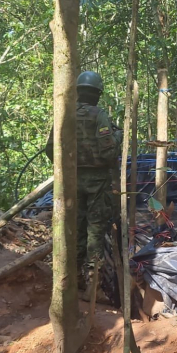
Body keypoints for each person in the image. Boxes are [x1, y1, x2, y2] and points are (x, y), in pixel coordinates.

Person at [44, 71, 121, 292]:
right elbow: (108, 152)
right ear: (98, 93)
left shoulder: (65, 114)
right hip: (97, 180)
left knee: (75, 228)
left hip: (72, 180)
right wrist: (118, 136)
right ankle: (93, 287)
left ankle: (74, 280)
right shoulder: (99, 115)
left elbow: (50, 148)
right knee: (95, 230)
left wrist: (69, 166)